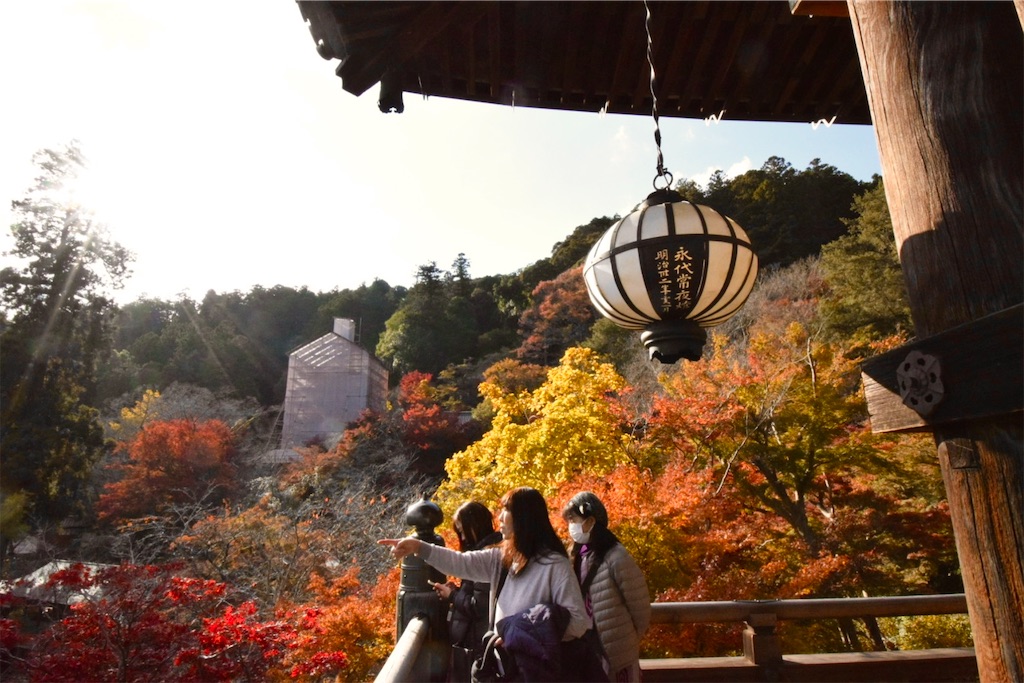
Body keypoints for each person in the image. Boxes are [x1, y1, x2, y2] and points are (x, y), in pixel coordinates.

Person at [380, 487, 600, 681]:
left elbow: (579, 622)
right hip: (503, 668)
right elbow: (460, 563)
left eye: (507, 510)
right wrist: (418, 547)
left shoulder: (555, 565)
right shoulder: (502, 558)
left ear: (524, 517)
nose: (500, 517)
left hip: (536, 670)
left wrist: (522, 634)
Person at [562, 492, 651, 683]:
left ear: (591, 520)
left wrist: (627, 641)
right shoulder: (574, 555)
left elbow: (640, 605)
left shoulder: (616, 556)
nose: (571, 526)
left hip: (617, 652)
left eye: (573, 519)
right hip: (586, 648)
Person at [429, 501, 503, 681]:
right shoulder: (489, 549)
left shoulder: (486, 556)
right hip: (472, 639)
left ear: (474, 526)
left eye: (462, 531)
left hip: (475, 641)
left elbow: (479, 606)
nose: (461, 538)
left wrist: (452, 595)